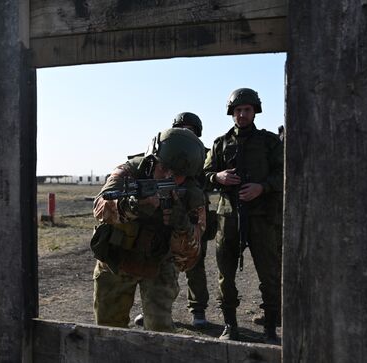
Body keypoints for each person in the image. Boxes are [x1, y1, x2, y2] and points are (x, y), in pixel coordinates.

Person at [91, 128, 207, 332]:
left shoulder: (192, 195)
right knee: (108, 330)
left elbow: (189, 257)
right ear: (153, 159)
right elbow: (100, 208)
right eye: (164, 168)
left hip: (159, 262)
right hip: (117, 257)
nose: (168, 176)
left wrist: (182, 226)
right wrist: (130, 207)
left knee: (160, 333)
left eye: (177, 174)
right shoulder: (129, 171)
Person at [203, 88, 283, 343]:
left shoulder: (270, 142)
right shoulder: (220, 144)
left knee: (269, 273)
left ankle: (270, 328)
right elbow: (202, 177)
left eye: (247, 110)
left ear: (255, 111)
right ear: (232, 113)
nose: (242, 114)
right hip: (229, 218)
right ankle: (230, 326)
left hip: (262, 217)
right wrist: (218, 177)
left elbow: (285, 174)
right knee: (225, 274)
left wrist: (263, 187)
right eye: (238, 110)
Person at [134, 112, 217, 328]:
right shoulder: (165, 155)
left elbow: (210, 176)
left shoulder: (203, 156)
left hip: (192, 215)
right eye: (182, 128)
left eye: (190, 129)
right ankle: (156, 311)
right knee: (164, 265)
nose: (186, 133)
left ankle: (198, 309)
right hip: (165, 215)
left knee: (194, 264)